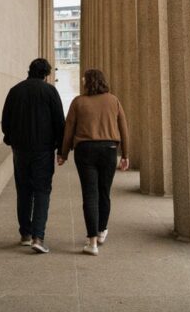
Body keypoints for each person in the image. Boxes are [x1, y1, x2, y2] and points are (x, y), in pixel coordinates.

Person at [57, 68, 129, 256]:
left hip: (85, 150)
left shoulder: (78, 102)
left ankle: (92, 242)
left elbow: (68, 129)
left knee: (90, 194)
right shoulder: (113, 100)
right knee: (104, 192)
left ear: (88, 82)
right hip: (109, 150)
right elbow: (123, 128)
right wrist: (125, 155)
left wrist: (63, 153)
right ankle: (102, 230)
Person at [1, 57, 65, 254]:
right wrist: (61, 149)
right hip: (43, 150)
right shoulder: (50, 91)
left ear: (29, 70)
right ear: (46, 75)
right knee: (42, 191)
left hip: (20, 149)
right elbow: (59, 122)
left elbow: (6, 121)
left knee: (24, 190)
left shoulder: (15, 90)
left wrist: (11, 140)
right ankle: (38, 236)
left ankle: (25, 234)